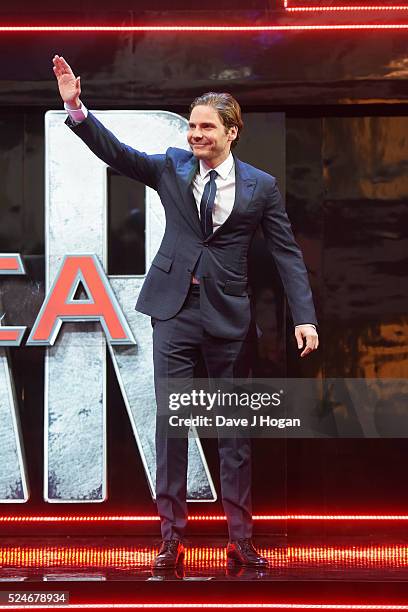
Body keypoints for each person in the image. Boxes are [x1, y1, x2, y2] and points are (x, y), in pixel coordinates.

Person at [52, 54, 319, 569]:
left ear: (231, 132)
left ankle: (240, 539)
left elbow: (286, 252)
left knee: (234, 432)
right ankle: (170, 539)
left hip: (229, 317)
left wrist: (303, 317)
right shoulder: (171, 166)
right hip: (173, 310)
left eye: (205, 127)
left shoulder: (259, 186)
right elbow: (120, 154)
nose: (195, 134)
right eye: (192, 125)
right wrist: (76, 108)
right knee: (172, 426)